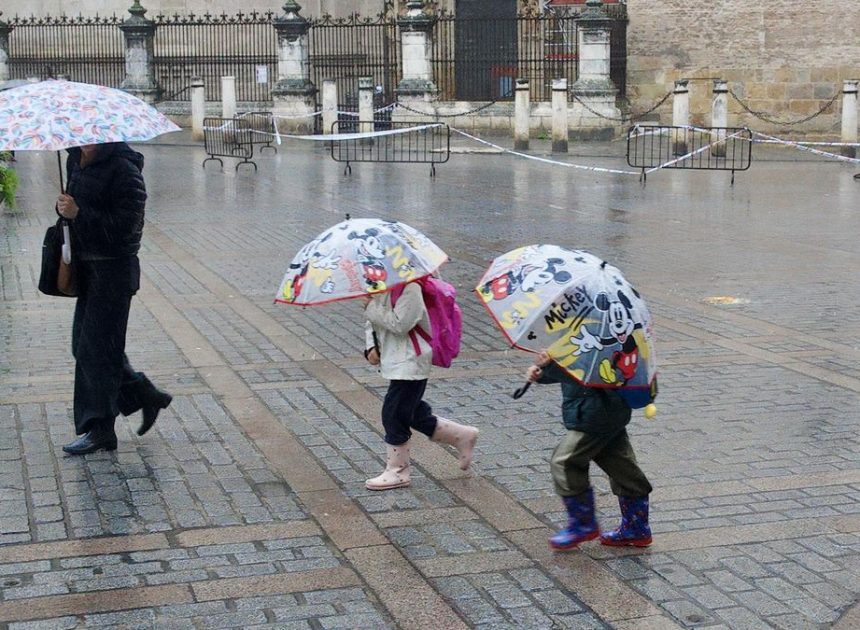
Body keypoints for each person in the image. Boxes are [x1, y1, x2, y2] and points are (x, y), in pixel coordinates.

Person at [56, 142, 172, 455]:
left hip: (113, 272)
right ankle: (145, 394)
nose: (82, 139)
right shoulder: (75, 160)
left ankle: (100, 430)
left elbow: (128, 227)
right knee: (86, 346)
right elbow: (74, 213)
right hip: (86, 269)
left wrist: (80, 212)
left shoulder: (124, 168)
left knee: (96, 352)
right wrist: (65, 211)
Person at [525, 351, 653, 550]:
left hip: (596, 413)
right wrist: (544, 373)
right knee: (622, 467)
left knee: (565, 461)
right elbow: (573, 372)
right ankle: (636, 528)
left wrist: (550, 366)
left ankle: (583, 524)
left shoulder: (601, 335)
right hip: (605, 411)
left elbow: (587, 371)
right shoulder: (579, 330)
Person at [362, 280, 478, 490]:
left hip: (412, 359)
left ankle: (398, 471)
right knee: (412, 411)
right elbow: (373, 321)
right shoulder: (381, 284)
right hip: (394, 357)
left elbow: (401, 323)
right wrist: (371, 346)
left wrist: (370, 307)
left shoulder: (411, 287)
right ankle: (461, 435)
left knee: (394, 412)